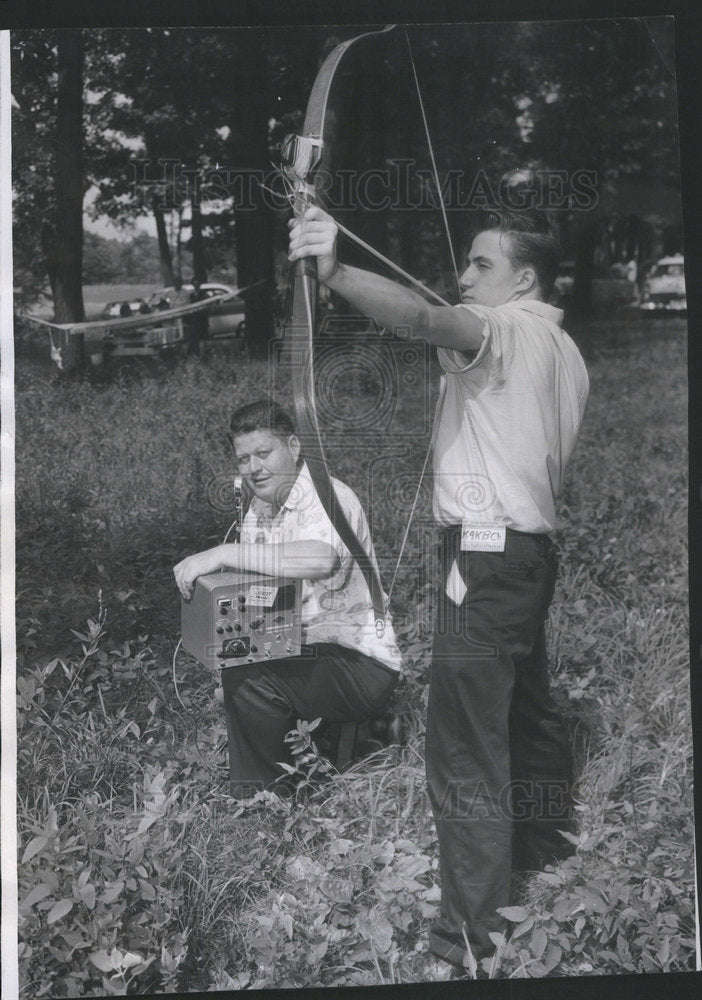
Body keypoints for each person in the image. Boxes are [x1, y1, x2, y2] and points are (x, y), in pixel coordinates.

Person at [288, 199, 589, 975]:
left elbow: (428, 323)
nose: (464, 277)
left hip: (488, 559)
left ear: (524, 279)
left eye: (481, 266)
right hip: (526, 557)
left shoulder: (514, 328)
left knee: (463, 742)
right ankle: (544, 846)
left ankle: (469, 935)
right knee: (526, 703)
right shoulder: (564, 347)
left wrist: (337, 269)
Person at [173, 400, 402, 798]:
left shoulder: (326, 496)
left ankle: (266, 798)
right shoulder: (259, 509)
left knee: (247, 676)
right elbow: (259, 590)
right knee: (236, 663)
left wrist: (223, 553)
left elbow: (318, 558)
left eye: (264, 453)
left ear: (294, 447)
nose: (253, 468)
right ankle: (349, 740)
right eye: (243, 458)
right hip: (303, 648)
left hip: (358, 660)